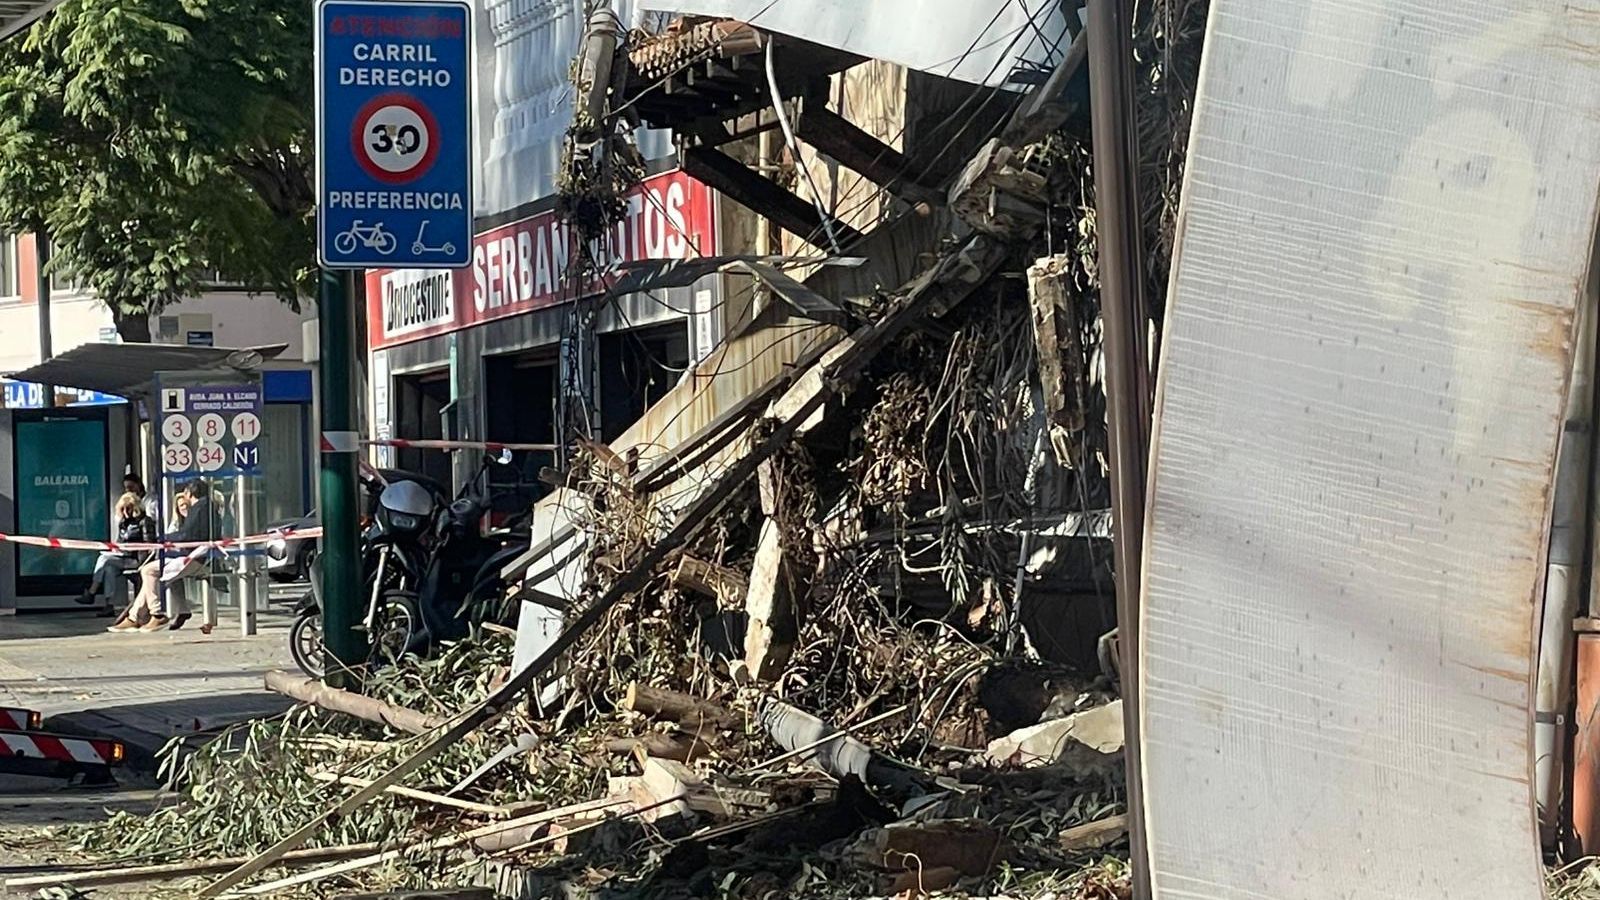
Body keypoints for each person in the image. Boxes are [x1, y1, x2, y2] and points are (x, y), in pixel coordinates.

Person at [76, 492, 157, 616]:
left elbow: (149, 544)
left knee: (103, 559)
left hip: (137, 559)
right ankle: (109, 605)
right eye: (123, 509)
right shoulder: (123, 523)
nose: (125, 512)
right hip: (124, 556)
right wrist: (116, 549)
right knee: (109, 569)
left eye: (128, 508)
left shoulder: (144, 521)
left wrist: (131, 550)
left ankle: (91, 591)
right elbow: (120, 541)